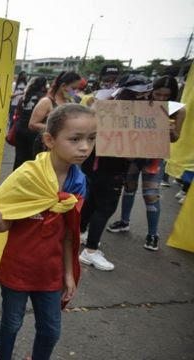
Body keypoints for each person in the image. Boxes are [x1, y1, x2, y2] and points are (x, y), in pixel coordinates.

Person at [0, 104, 95, 360]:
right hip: (17, 270)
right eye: (75, 139)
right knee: (12, 323)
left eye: (91, 139)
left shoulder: (79, 182)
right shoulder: (27, 177)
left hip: (50, 273)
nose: (85, 147)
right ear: (50, 140)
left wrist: (69, 274)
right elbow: (7, 223)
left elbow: (69, 234)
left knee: (50, 330)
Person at [79, 75, 153, 271]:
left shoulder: (104, 105)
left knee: (93, 201)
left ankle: (81, 233)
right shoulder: (114, 110)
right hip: (107, 168)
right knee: (105, 207)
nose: (144, 100)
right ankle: (90, 251)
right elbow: (125, 150)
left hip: (95, 166)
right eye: (140, 95)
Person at [106, 75, 184, 251]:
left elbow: (176, 138)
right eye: (158, 94)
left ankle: (153, 234)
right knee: (129, 188)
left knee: (150, 194)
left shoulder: (178, 110)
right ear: (152, 91)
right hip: (135, 153)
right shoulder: (141, 103)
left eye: (167, 96)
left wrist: (170, 131)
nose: (162, 99)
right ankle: (124, 222)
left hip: (155, 157)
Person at [29, 71, 81, 154]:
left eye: (77, 89)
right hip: (46, 147)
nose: (74, 92)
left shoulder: (70, 101)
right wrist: (57, 129)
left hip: (64, 147)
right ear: (63, 86)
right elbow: (32, 124)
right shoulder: (47, 101)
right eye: (73, 89)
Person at [13, 76, 48, 170]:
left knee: (19, 158)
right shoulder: (44, 99)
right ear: (43, 86)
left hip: (20, 129)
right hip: (33, 132)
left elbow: (18, 112)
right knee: (30, 160)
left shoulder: (26, 95)